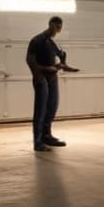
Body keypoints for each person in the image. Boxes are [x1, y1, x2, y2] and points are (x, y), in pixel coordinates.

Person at [26, 17, 79, 152]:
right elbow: (30, 60)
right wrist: (39, 73)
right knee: (41, 110)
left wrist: (66, 67)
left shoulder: (52, 43)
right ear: (50, 25)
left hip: (52, 78)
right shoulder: (37, 40)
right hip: (41, 77)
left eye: (59, 28)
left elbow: (61, 57)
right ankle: (37, 142)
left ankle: (46, 136)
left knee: (52, 107)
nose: (57, 30)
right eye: (56, 27)